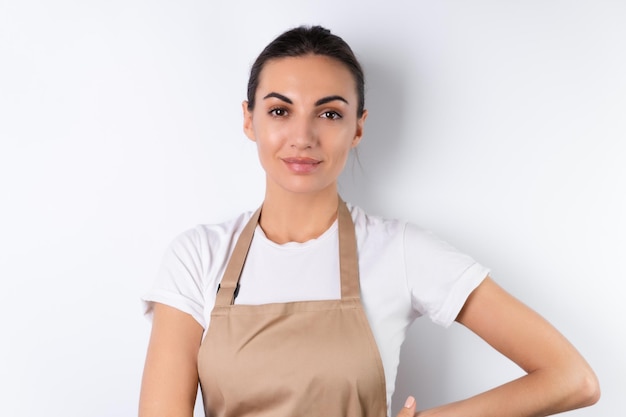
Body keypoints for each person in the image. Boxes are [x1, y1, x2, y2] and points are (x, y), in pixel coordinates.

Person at [139, 25, 600, 417]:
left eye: (329, 113)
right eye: (280, 110)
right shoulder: (198, 256)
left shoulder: (399, 251)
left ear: (358, 127)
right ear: (249, 119)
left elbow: (572, 378)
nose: (302, 136)